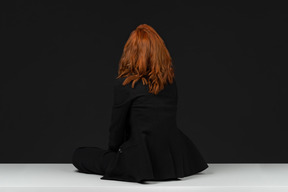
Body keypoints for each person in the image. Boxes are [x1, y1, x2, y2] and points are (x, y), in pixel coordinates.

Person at [72, 24, 209, 184]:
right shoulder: (170, 83)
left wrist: (115, 155)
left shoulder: (126, 85)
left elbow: (117, 128)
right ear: (160, 52)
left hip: (138, 160)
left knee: (79, 155)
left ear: (131, 52)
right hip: (171, 160)